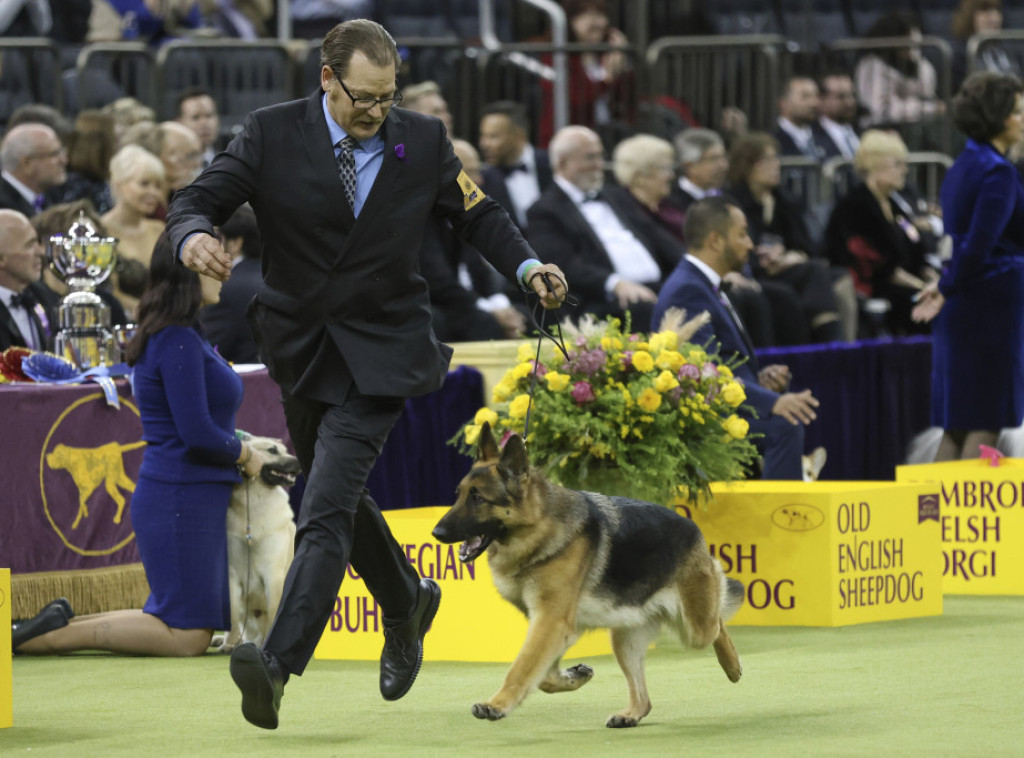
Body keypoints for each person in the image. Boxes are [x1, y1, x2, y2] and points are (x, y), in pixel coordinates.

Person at [164, 18, 566, 730]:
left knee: (321, 506)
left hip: (385, 350)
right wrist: (194, 235)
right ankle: (406, 598)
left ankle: (278, 665)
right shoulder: (269, 132)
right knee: (340, 501)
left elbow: (479, 216)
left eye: (388, 96)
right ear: (327, 78)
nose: (377, 112)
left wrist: (530, 267)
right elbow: (199, 200)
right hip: (303, 348)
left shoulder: (425, 139)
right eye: (363, 98)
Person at [11, 232, 270, 656]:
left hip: (188, 493)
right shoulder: (178, 339)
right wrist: (247, 455)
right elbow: (196, 432)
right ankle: (44, 637)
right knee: (186, 635)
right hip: (180, 495)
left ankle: (42, 629)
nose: (227, 266)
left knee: (180, 621)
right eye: (218, 258)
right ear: (191, 269)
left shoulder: (182, 335)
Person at [652, 197, 820, 479]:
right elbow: (701, 374)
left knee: (784, 421)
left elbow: (721, 360)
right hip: (704, 421)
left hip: (724, 408)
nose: (750, 244)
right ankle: (779, 520)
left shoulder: (702, 285)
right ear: (715, 240)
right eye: (742, 234)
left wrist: (759, 380)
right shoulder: (687, 290)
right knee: (784, 425)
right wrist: (771, 402)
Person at [912, 72, 1024, 461]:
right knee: (984, 421)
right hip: (989, 308)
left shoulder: (964, 162)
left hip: (965, 306)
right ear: (998, 117)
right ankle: (964, 520)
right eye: (1018, 112)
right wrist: (946, 286)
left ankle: (932, 522)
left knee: (958, 425)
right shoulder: (999, 171)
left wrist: (947, 283)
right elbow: (979, 246)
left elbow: (960, 243)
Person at [527, 125, 678, 328]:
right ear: (563, 163)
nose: (599, 164)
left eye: (600, 156)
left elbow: (656, 236)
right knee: (643, 308)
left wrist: (699, 267)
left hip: (653, 288)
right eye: (590, 157)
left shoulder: (615, 195)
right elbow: (564, 265)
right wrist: (615, 284)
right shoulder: (544, 211)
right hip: (601, 300)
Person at [726, 132, 849, 343]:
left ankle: (841, 344)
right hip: (754, 271)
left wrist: (793, 254)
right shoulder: (733, 201)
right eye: (769, 159)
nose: (776, 165)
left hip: (787, 266)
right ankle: (830, 343)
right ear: (748, 165)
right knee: (814, 274)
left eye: (776, 159)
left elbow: (808, 245)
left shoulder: (783, 198)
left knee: (840, 279)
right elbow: (741, 249)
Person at [825, 130, 937, 336]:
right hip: (876, 289)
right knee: (928, 306)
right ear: (874, 166)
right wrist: (923, 287)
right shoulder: (854, 207)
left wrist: (933, 280)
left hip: (906, 284)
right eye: (897, 164)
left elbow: (915, 247)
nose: (904, 170)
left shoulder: (894, 206)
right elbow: (879, 268)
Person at [419, 138, 528, 342]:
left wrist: (500, 305)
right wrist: (488, 310)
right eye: (470, 173)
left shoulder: (467, 213)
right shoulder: (423, 217)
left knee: (526, 315)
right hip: (438, 303)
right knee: (484, 323)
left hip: (470, 301)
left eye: (479, 171)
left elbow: (479, 270)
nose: (479, 181)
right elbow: (438, 283)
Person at [102, 144, 167, 315]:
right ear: (118, 184)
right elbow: (110, 292)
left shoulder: (159, 229)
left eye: (158, 186)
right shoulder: (101, 232)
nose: (153, 193)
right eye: (144, 184)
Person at [199, 204, 264, 363]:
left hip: (246, 383)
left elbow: (208, 351)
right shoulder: (274, 278)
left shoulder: (226, 289)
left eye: (214, 236)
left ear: (235, 243)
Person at [478, 100, 554, 233]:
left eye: (493, 136)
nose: (484, 144)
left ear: (519, 135)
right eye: (483, 136)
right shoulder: (483, 180)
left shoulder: (553, 165)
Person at [45, 109, 117, 215]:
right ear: (103, 145)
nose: (117, 146)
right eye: (115, 140)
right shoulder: (83, 187)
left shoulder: (68, 179)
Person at [0, 208, 49, 352]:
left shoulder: (44, 297)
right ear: (2, 259)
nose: (41, 252)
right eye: (29, 245)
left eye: (38, 242)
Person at [0, 123, 68, 217]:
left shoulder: (51, 194)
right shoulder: (5, 210)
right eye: (54, 154)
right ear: (27, 164)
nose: (64, 160)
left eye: (62, 152)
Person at [951, 0, 1020, 91]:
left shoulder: (1007, 48)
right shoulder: (961, 53)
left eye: (997, 11)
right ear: (970, 16)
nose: (995, 18)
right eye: (985, 11)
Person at [818, 72, 862, 161]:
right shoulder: (812, 136)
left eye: (852, 95)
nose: (850, 102)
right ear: (822, 100)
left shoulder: (862, 133)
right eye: (841, 97)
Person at [176, 89, 223, 169]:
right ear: (180, 123)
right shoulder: (173, 167)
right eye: (195, 117)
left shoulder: (228, 162)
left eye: (209, 116)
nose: (204, 123)